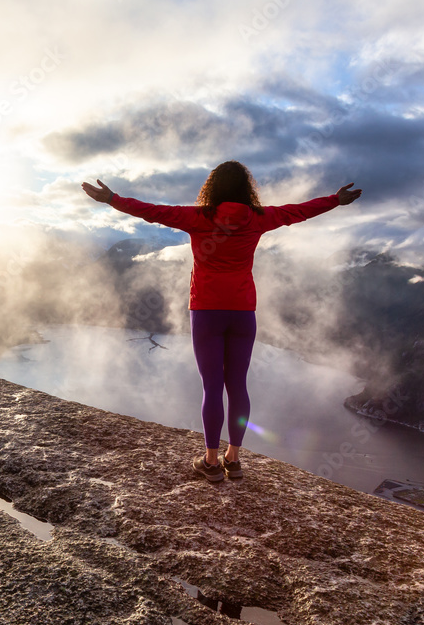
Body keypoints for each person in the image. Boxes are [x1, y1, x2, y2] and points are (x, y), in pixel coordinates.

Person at [81, 161, 361, 482]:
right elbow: (295, 212)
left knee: (212, 387)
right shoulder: (259, 218)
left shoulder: (199, 218)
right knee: (238, 385)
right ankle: (234, 459)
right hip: (243, 313)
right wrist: (334, 200)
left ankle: (211, 462)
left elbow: (153, 211)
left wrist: (112, 199)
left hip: (206, 311)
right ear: (246, 189)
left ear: (212, 188)